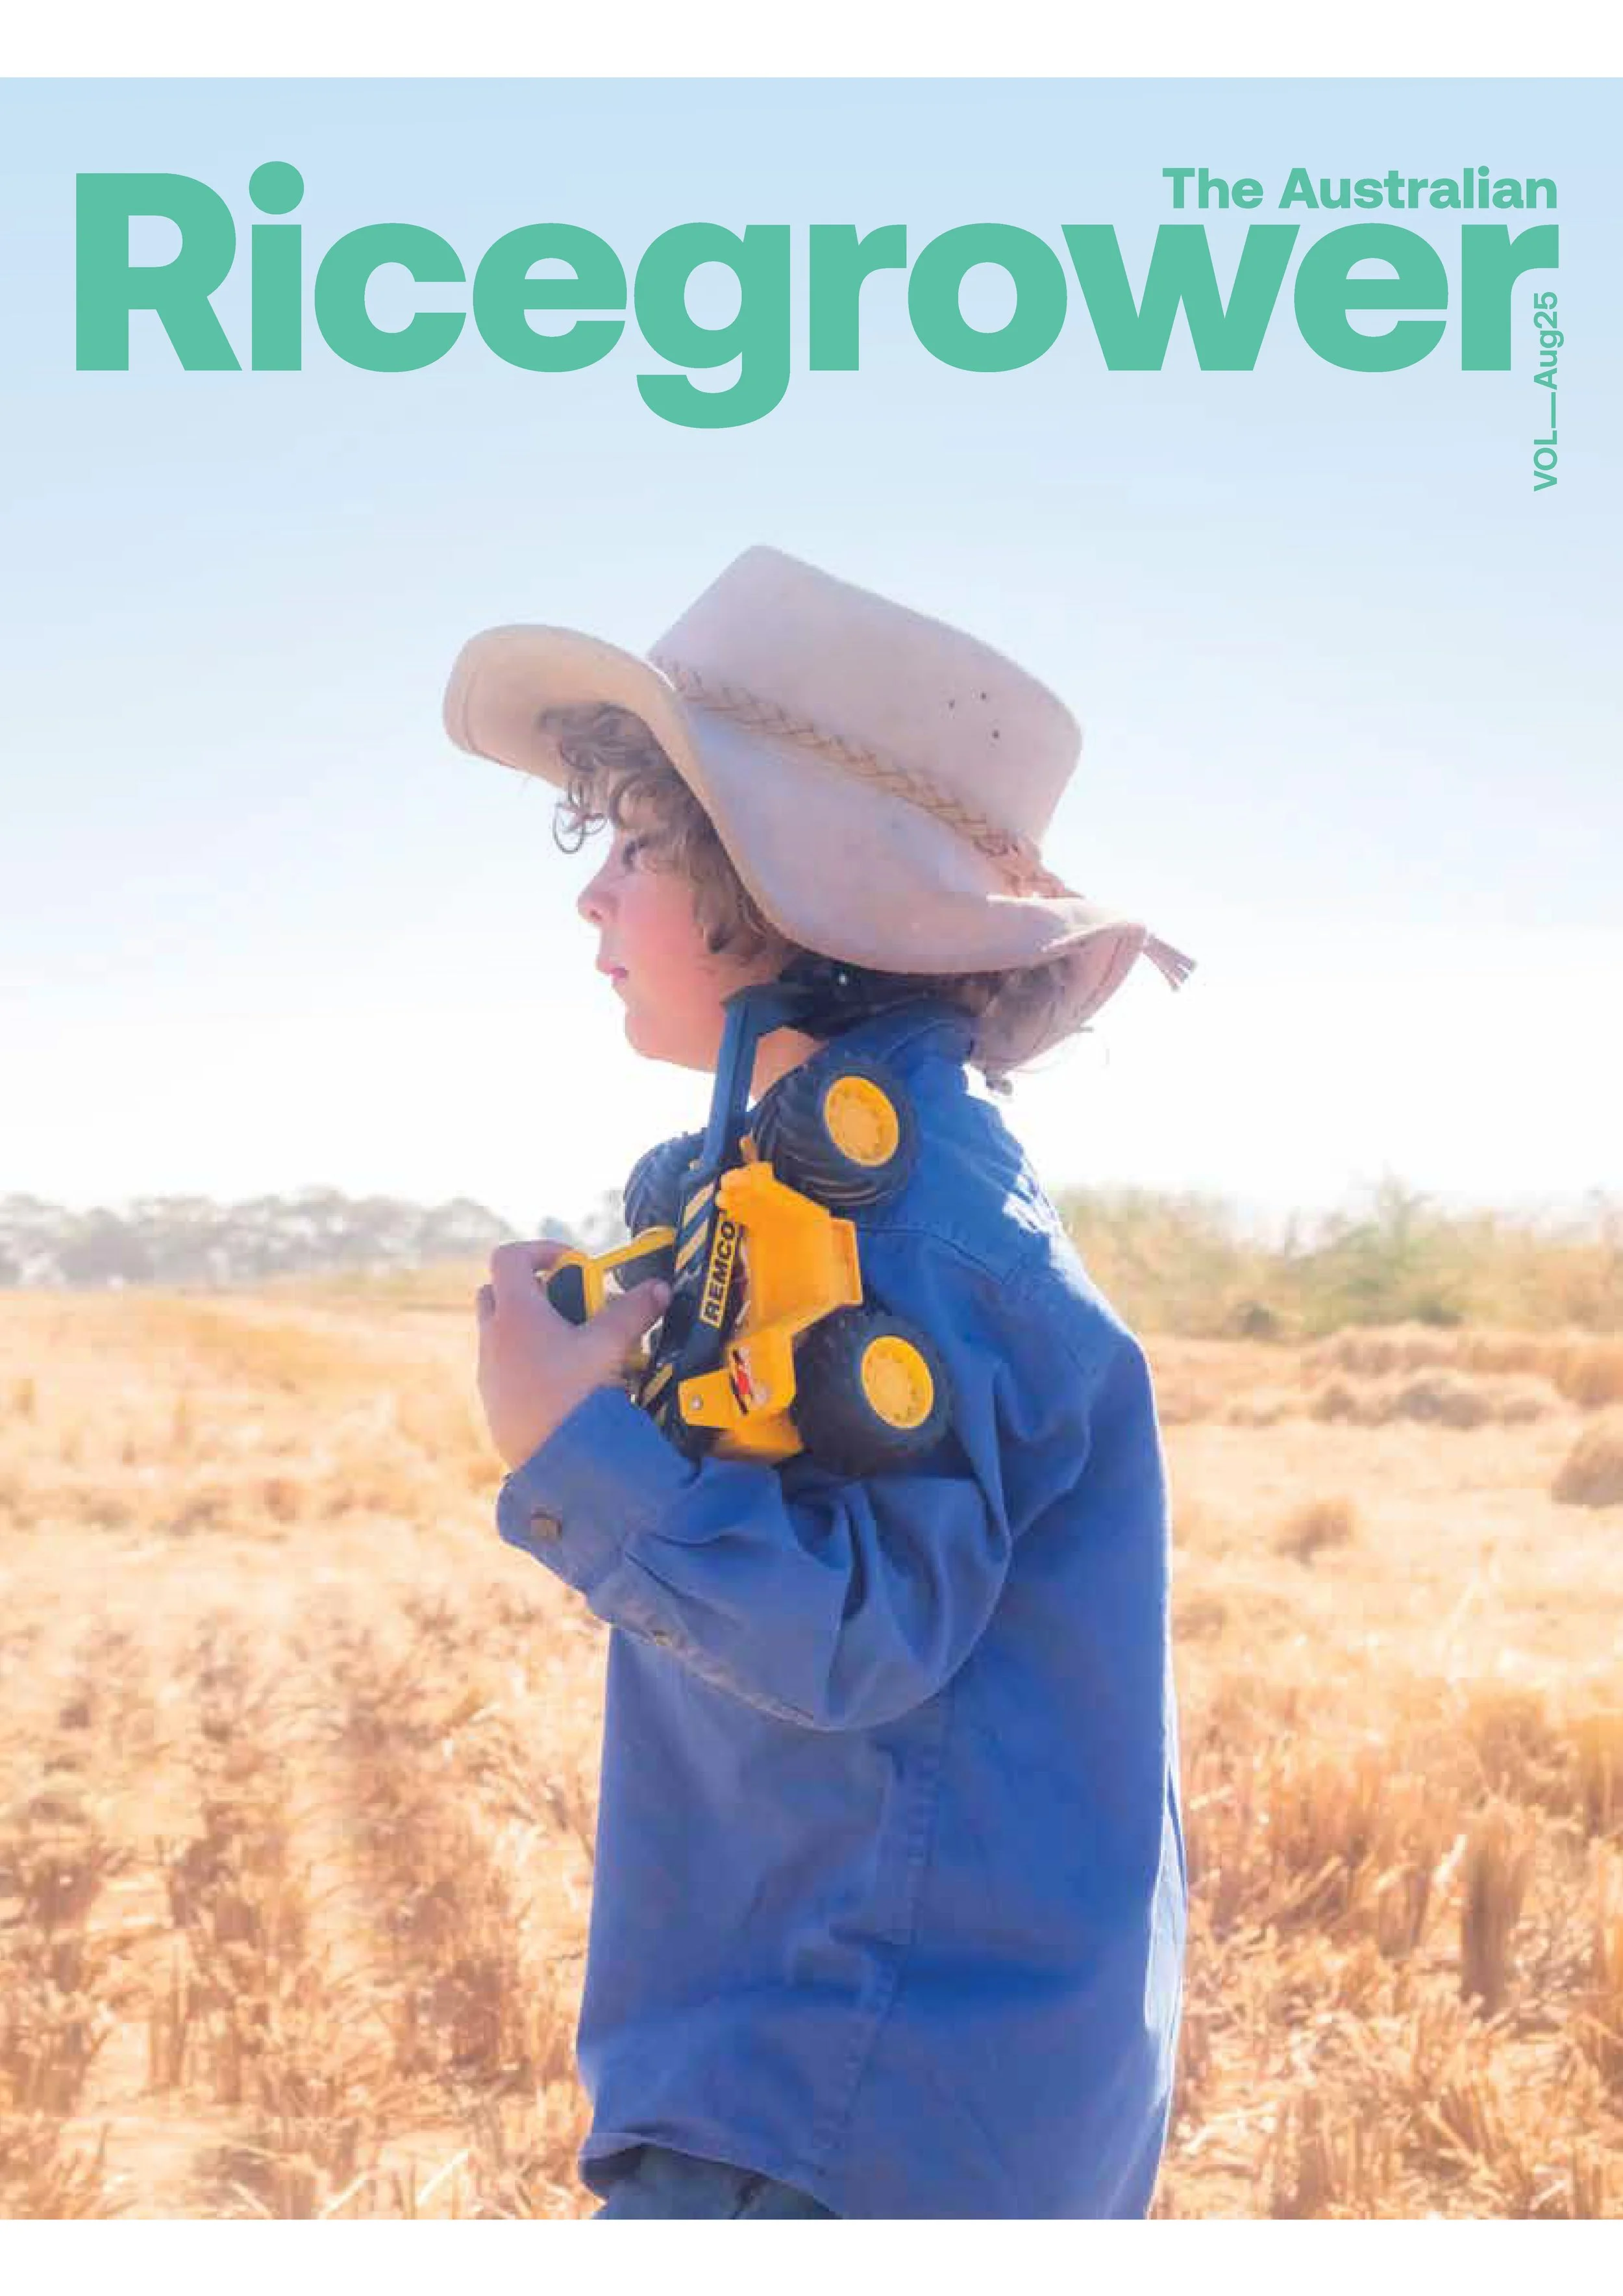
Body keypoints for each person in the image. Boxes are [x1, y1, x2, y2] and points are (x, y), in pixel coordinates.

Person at [444, 545, 1195, 2221]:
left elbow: (857, 1641)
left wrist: (564, 1442)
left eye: (637, 846)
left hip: (859, 2093)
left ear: (788, 894)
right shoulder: (773, 1181)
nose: (590, 897)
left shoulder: (909, 1219)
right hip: (835, 2071)